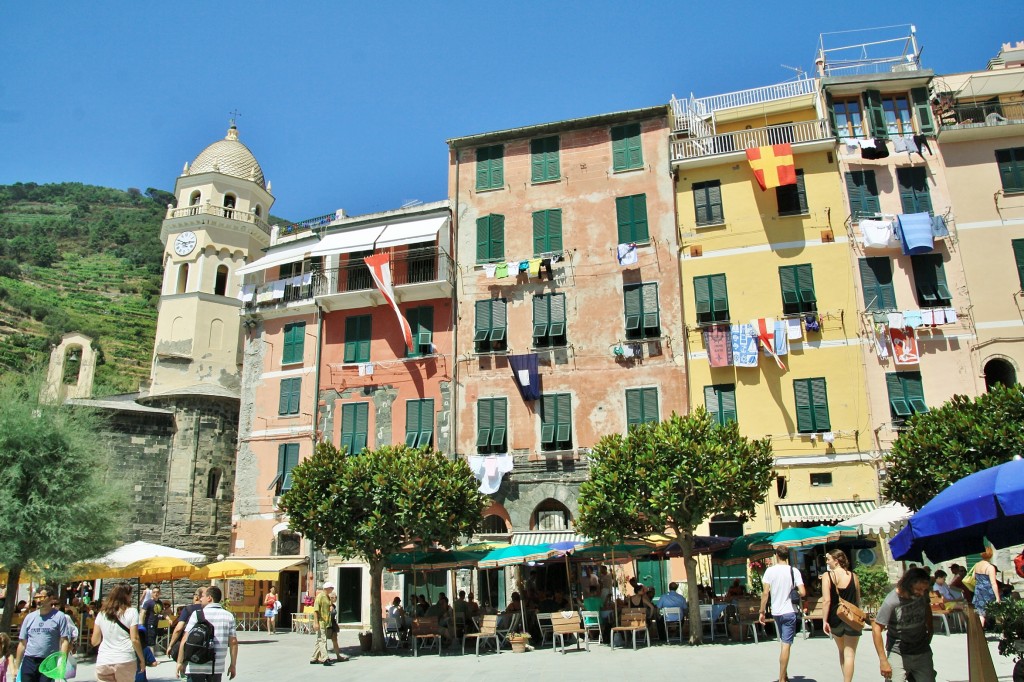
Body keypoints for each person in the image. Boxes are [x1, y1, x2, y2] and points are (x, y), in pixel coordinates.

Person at [872, 567, 934, 682]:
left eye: (924, 590)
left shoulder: (922, 594)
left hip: (922, 651)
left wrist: (931, 630)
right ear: (908, 584)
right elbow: (876, 629)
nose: (922, 593)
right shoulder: (891, 601)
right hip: (898, 652)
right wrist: (883, 661)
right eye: (918, 589)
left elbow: (927, 607)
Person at [759, 548, 806, 682]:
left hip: (776, 612)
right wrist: (793, 589)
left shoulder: (770, 571)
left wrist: (761, 611)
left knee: (783, 643)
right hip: (789, 610)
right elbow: (803, 592)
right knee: (786, 644)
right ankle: (781, 678)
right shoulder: (794, 571)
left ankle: (784, 675)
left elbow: (765, 593)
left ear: (777, 555)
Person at [176, 585, 237, 682]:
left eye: (202, 596)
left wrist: (180, 662)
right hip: (216, 666)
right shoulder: (229, 616)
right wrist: (233, 665)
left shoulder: (197, 614)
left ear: (209, 598)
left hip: (196, 662)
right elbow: (233, 642)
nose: (200, 599)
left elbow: (185, 639)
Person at [14, 586, 73, 682]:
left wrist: (61, 663)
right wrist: (16, 666)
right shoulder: (29, 617)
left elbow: (64, 641)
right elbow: (22, 643)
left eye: (41, 597)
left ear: (50, 598)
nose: (38, 601)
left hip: (48, 661)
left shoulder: (59, 617)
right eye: (36, 598)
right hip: (29, 660)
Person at [90, 583, 146, 682]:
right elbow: (135, 639)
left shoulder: (101, 614)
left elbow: (94, 641)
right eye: (130, 595)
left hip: (104, 660)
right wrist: (142, 659)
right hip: (125, 658)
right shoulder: (132, 612)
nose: (131, 597)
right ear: (126, 595)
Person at [820, 549, 861, 682]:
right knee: (850, 655)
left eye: (828, 559)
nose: (827, 562)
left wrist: (824, 620)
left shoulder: (828, 576)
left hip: (835, 617)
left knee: (842, 652)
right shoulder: (854, 576)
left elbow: (826, 601)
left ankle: (846, 679)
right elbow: (858, 599)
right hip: (851, 618)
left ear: (836, 561)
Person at [167, 588, 205, 661]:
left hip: (189, 643)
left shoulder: (188, 609)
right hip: (204, 644)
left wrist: (170, 645)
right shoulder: (207, 609)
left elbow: (178, 629)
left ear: (197, 597)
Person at [972, 546, 1001, 627]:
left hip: (978, 590)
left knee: (981, 613)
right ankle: (1000, 629)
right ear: (990, 555)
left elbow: (974, 577)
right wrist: (997, 597)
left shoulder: (976, 565)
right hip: (988, 591)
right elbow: (993, 583)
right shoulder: (990, 567)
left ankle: (979, 635)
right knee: (997, 610)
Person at [309, 582, 335, 666]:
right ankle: (325, 658)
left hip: (326, 621)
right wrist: (316, 622)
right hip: (321, 622)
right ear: (327, 588)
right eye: (331, 588)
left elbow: (330, 606)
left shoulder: (327, 597)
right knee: (323, 640)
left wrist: (331, 607)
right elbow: (316, 610)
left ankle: (313, 658)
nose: (332, 589)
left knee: (319, 640)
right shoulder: (319, 597)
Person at [326, 591, 349, 662]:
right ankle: (325, 656)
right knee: (325, 641)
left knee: (335, 641)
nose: (336, 598)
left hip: (333, 625)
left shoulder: (333, 606)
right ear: (331, 598)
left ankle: (338, 656)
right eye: (335, 597)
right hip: (329, 625)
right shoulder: (329, 606)